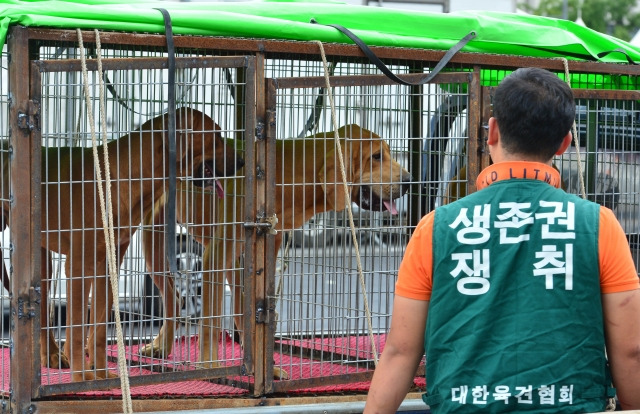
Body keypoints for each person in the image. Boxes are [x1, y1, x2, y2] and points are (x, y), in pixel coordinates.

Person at [364, 67, 640, 413]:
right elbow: (631, 351)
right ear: (565, 142)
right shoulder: (599, 224)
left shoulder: (436, 227)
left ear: (492, 130)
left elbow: (401, 352)